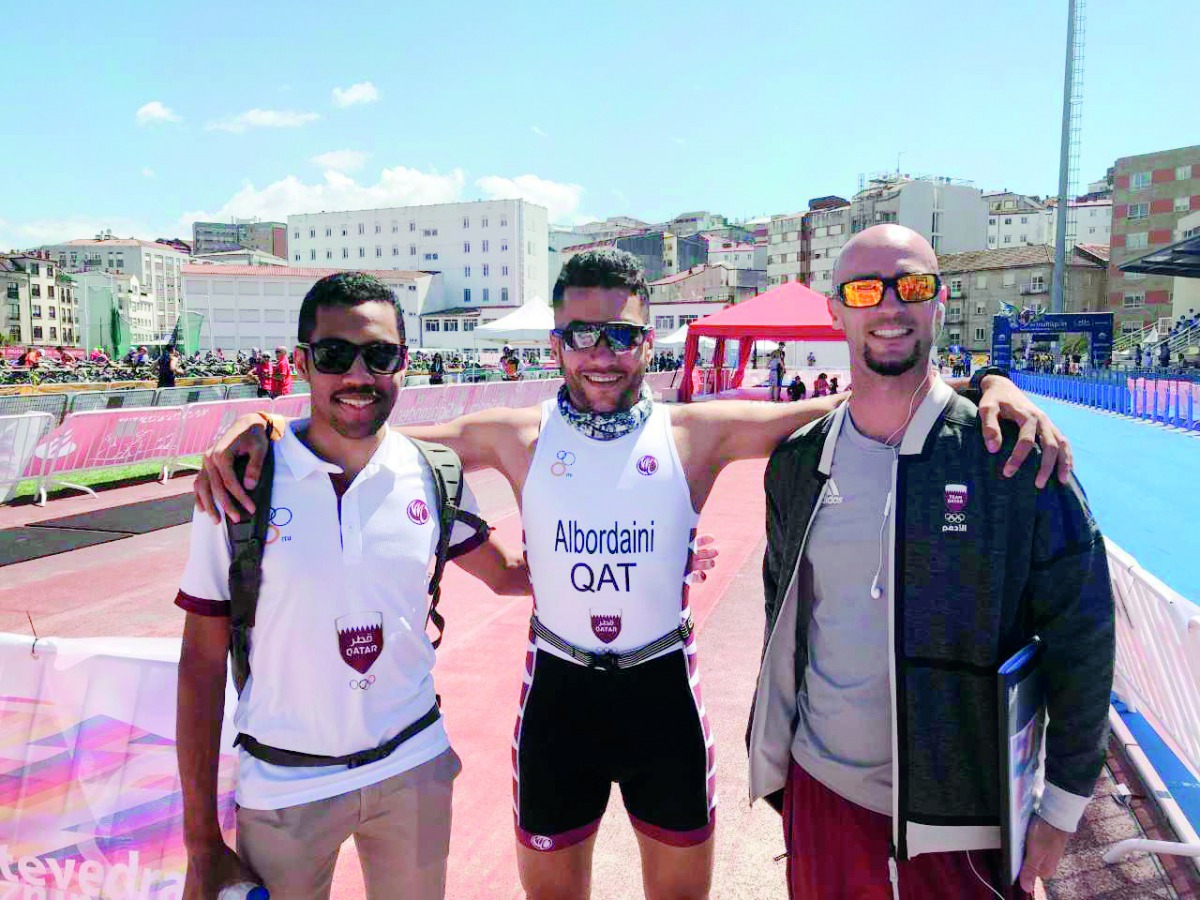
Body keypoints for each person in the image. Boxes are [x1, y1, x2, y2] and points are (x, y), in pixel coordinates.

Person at [196, 249, 1071, 900]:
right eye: (583, 335)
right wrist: (259, 424)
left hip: (661, 694)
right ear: (558, 342)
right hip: (559, 700)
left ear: (646, 337)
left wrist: (992, 380)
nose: (603, 354)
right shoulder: (515, 436)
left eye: (621, 334)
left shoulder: (694, 433)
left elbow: (856, 400)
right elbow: (358, 426)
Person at [747, 225, 1114, 899]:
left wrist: (1062, 806)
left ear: (939, 300)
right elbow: (784, 614)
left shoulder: (1011, 455)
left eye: (910, 286)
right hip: (821, 797)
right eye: (865, 290)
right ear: (836, 311)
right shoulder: (798, 463)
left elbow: (1083, 631)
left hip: (961, 822)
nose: (889, 307)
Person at [176, 273, 537, 899]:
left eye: (379, 355)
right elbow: (201, 665)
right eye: (334, 355)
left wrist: (648, 556)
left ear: (404, 361)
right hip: (286, 783)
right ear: (301, 363)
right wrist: (202, 840)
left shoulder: (432, 474)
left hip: (412, 765)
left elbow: (507, 573)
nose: (357, 376)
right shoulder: (240, 484)